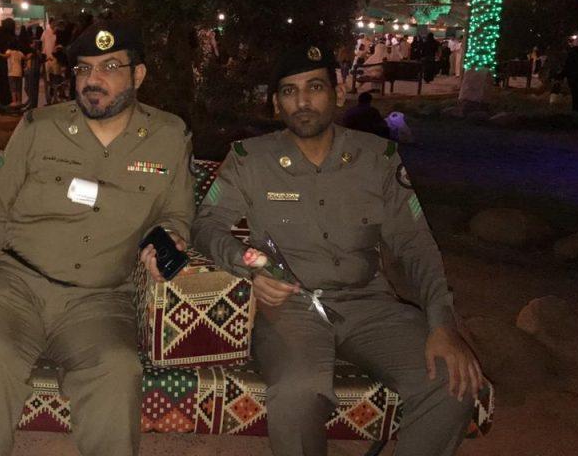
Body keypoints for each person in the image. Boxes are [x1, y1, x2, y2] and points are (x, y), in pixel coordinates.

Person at [191, 43, 481, 456]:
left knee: (450, 385)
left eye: (314, 87)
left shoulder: (378, 160)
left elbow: (415, 245)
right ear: (276, 104)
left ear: (338, 92)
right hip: (289, 307)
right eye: (289, 91)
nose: (302, 101)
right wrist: (248, 265)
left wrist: (441, 323)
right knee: (297, 392)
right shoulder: (249, 160)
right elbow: (206, 225)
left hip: (370, 305)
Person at [0, 21, 195, 456]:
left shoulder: (169, 137)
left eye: (110, 67)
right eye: (84, 69)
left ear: (138, 75)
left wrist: (171, 238)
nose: (93, 80)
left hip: (99, 297)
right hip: (17, 285)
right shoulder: (40, 127)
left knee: (118, 370)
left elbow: (177, 213)